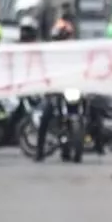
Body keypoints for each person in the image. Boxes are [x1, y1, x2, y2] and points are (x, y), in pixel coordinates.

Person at [34, 20, 76, 162]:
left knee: (87, 110)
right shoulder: (49, 53)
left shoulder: (75, 53)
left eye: (66, 37)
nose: (64, 40)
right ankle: (39, 151)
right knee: (45, 116)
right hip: (54, 90)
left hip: (71, 89)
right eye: (61, 38)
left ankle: (96, 143)